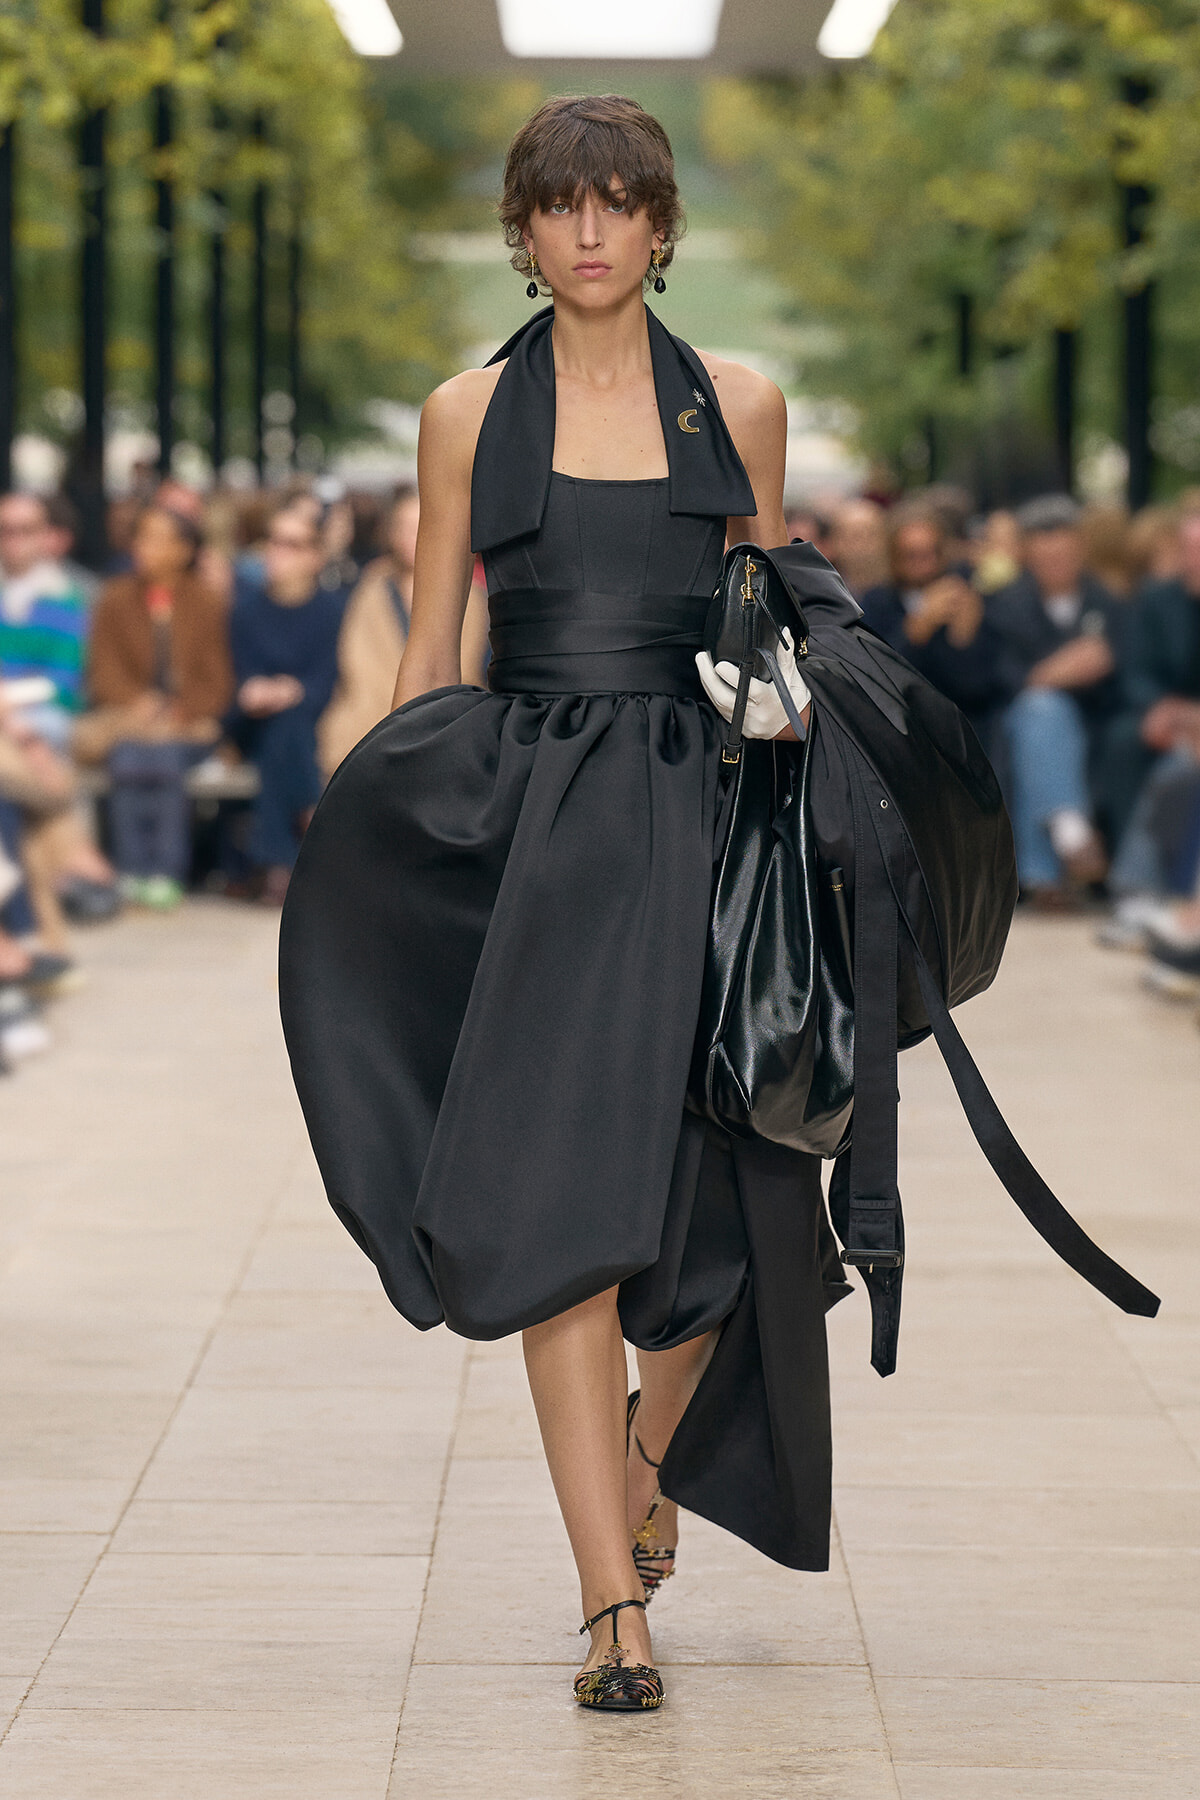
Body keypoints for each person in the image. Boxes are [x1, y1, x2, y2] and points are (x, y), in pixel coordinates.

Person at [278, 94, 843, 1714]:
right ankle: (614, 1603)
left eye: (620, 206)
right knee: (562, 1211)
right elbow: (431, 636)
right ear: (524, 237)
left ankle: (650, 1461)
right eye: (558, 208)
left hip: (710, 817)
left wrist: (803, 825)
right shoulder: (466, 414)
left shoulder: (742, 400)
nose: (590, 234)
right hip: (536, 834)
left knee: (740, 1211)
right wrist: (393, 830)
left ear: (663, 230)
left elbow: (768, 626)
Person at [79, 505, 232, 908]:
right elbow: (102, 671)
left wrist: (183, 708)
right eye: (141, 536)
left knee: (163, 760)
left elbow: (217, 677)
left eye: (158, 538)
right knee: (129, 758)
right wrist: (136, 702)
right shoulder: (114, 598)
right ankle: (131, 871)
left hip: (190, 725)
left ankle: (165, 870)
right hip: (130, 722)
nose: (145, 547)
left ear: (184, 549)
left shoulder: (207, 602)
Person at [989, 494, 1119, 908]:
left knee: (1044, 725)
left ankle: (1044, 874)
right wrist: (1060, 671)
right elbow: (1003, 679)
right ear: (1027, 554)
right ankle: (1071, 832)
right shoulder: (1005, 605)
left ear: (1080, 549)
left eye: (1063, 552)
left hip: (1095, 718)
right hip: (1019, 716)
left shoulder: (1108, 602)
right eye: (1045, 555)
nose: (1055, 563)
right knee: (1041, 712)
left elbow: (1125, 671)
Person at [319, 486, 490, 778]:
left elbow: (470, 667)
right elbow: (357, 661)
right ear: (392, 533)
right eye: (406, 527)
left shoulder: (471, 596)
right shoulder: (369, 590)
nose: (414, 536)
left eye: (421, 525)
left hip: (449, 723)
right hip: (372, 718)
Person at [226, 500, 350, 904]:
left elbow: (328, 680)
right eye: (274, 541)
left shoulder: (332, 611)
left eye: (292, 544)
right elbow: (238, 678)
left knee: (288, 726)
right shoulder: (245, 610)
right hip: (251, 724)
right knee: (283, 725)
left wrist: (293, 692)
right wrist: (257, 691)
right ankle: (309, 820)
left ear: (315, 556)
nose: (278, 552)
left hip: (301, 723)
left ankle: (276, 864)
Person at [859, 503, 1012, 757]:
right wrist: (917, 629)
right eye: (912, 556)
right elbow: (876, 681)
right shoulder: (877, 603)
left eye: (931, 554)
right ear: (894, 557)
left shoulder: (967, 595)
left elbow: (978, 689)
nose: (924, 565)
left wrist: (964, 639)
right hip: (899, 732)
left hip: (962, 732)